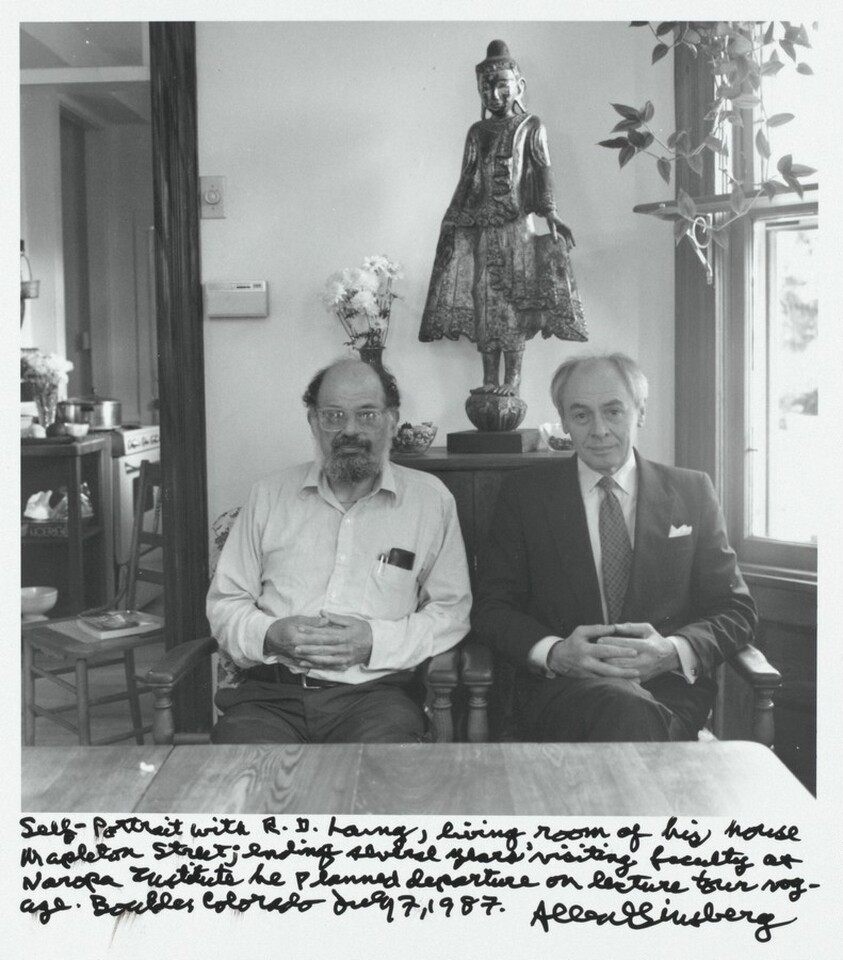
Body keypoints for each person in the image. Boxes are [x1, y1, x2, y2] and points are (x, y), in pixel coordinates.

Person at [471, 353, 757, 741]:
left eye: (613, 412)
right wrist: (556, 653)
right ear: (564, 420)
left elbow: (736, 609)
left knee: (629, 715)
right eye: (581, 415)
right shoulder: (525, 496)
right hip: (562, 692)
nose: (599, 430)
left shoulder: (692, 492)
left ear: (640, 412)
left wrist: (671, 651)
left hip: (667, 691)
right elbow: (491, 609)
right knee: (625, 713)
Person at [206, 357, 472, 743]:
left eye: (366, 415)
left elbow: (451, 612)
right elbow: (225, 603)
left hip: (376, 699)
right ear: (313, 422)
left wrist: (372, 642)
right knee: (247, 780)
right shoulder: (268, 495)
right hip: (270, 698)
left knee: (376, 781)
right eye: (333, 415)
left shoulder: (431, 502)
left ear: (391, 420)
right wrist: (270, 633)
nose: (350, 429)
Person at [419, 39, 587, 397]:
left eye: (501, 85)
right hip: (484, 228)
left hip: (517, 230)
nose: (494, 94)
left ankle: (512, 381)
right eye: (486, 87)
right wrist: (454, 221)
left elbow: (543, 171)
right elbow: (467, 180)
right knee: (484, 300)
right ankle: (489, 379)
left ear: (518, 87)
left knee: (512, 305)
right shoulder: (477, 133)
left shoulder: (531, 125)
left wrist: (551, 213)